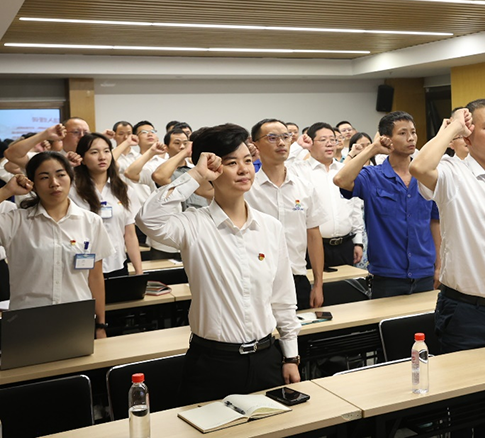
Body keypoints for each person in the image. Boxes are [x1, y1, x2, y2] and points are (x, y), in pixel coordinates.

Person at [137, 124, 300, 403]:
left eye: (247, 160)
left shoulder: (270, 227)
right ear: (212, 168)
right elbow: (148, 219)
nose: (244, 170)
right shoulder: (193, 225)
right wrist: (195, 175)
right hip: (213, 362)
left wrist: (291, 356)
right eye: (231, 163)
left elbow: (283, 298)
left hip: (266, 358)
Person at [410, 99, 485, 438]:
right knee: (464, 412)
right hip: (465, 311)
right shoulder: (453, 174)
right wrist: (451, 127)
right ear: (468, 134)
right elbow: (419, 166)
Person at [0, 153, 112, 338]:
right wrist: (7, 190)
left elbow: (95, 277)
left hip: (76, 319)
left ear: (71, 177)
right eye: (44, 177)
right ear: (33, 183)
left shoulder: (91, 222)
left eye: (60, 175)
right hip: (27, 320)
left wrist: (100, 324)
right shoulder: (16, 221)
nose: (54, 183)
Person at [335, 112, 440, 298]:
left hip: (424, 272)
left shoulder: (426, 176)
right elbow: (341, 180)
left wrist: (439, 266)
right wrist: (372, 149)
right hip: (387, 276)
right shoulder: (372, 176)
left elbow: (434, 223)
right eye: (402, 133)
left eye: (413, 132)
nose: (411, 138)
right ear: (386, 138)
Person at [246, 119, 327, 310]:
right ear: (255, 144)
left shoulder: (304, 187)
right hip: (257, 279)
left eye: (285, 137)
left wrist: (318, 283)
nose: (281, 143)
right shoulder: (246, 188)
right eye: (272, 138)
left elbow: (313, 236)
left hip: (296, 276)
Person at [70, 133, 143, 277]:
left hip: (117, 264)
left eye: (106, 151)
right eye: (94, 152)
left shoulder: (124, 190)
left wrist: (139, 271)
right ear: (82, 158)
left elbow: (130, 234)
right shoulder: (71, 190)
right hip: (83, 267)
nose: (102, 157)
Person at [298, 123, 364, 267]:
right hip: (312, 246)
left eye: (332, 139)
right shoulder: (300, 171)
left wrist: (358, 242)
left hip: (345, 245)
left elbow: (355, 207)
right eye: (323, 140)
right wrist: (299, 146)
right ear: (310, 143)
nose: (329, 144)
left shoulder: (345, 170)